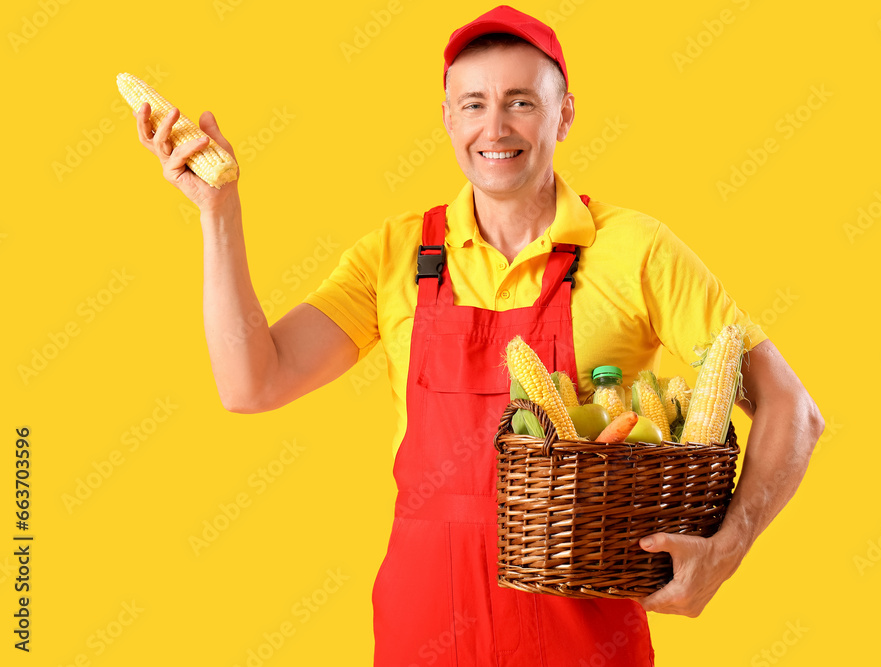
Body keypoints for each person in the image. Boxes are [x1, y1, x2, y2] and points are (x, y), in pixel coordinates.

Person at [130, 5, 825, 664]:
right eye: (473, 104)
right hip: (422, 633)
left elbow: (792, 408)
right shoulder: (396, 254)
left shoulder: (638, 252)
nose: (496, 126)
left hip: (583, 644)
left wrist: (727, 548)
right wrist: (218, 214)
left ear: (565, 113)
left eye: (521, 100)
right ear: (446, 118)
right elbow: (253, 381)